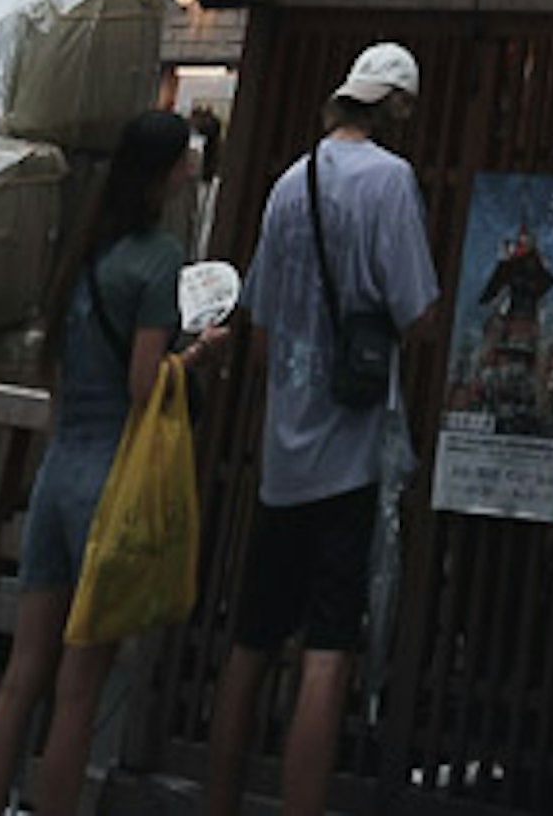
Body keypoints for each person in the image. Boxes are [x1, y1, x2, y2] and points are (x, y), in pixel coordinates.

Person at [198, 43, 441, 816]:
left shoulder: (286, 184)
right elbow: (420, 311)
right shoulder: (391, 182)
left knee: (251, 642)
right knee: (328, 654)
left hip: (282, 454)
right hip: (350, 456)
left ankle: (220, 802)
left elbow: (260, 329)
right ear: (396, 107)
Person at [0, 108, 226, 816]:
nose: (192, 168)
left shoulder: (87, 250)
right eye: (185, 158)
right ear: (167, 170)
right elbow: (147, 381)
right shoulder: (159, 256)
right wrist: (200, 354)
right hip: (111, 480)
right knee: (81, 687)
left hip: (57, 471)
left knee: (22, 676)